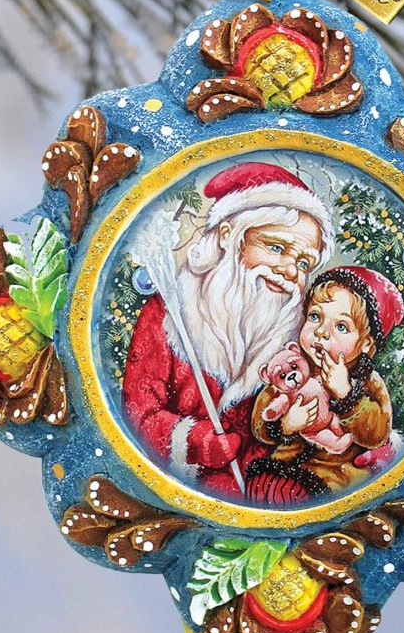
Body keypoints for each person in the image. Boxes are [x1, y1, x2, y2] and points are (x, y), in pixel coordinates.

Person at [122, 162, 334, 498]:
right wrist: (192, 441)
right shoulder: (169, 315)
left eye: (303, 262)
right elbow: (137, 413)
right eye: (276, 248)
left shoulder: (296, 342)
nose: (289, 271)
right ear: (228, 237)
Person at [246, 266, 404, 505]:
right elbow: (260, 422)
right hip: (280, 468)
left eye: (341, 326)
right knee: (261, 490)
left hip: (335, 477)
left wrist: (346, 394)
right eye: (315, 317)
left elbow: (376, 435)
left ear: (365, 343)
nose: (321, 332)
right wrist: (286, 425)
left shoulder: (367, 381)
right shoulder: (292, 366)